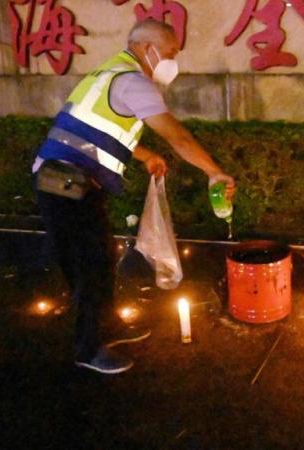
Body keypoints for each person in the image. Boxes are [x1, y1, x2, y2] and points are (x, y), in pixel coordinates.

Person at [33, 19, 235, 374]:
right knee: (89, 267)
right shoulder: (134, 82)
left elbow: (100, 128)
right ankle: (88, 349)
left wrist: (144, 156)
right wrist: (213, 171)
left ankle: (106, 328)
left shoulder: (108, 73)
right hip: (65, 184)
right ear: (148, 48)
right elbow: (179, 138)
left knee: (100, 258)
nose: (173, 61)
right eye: (170, 53)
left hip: (68, 181)